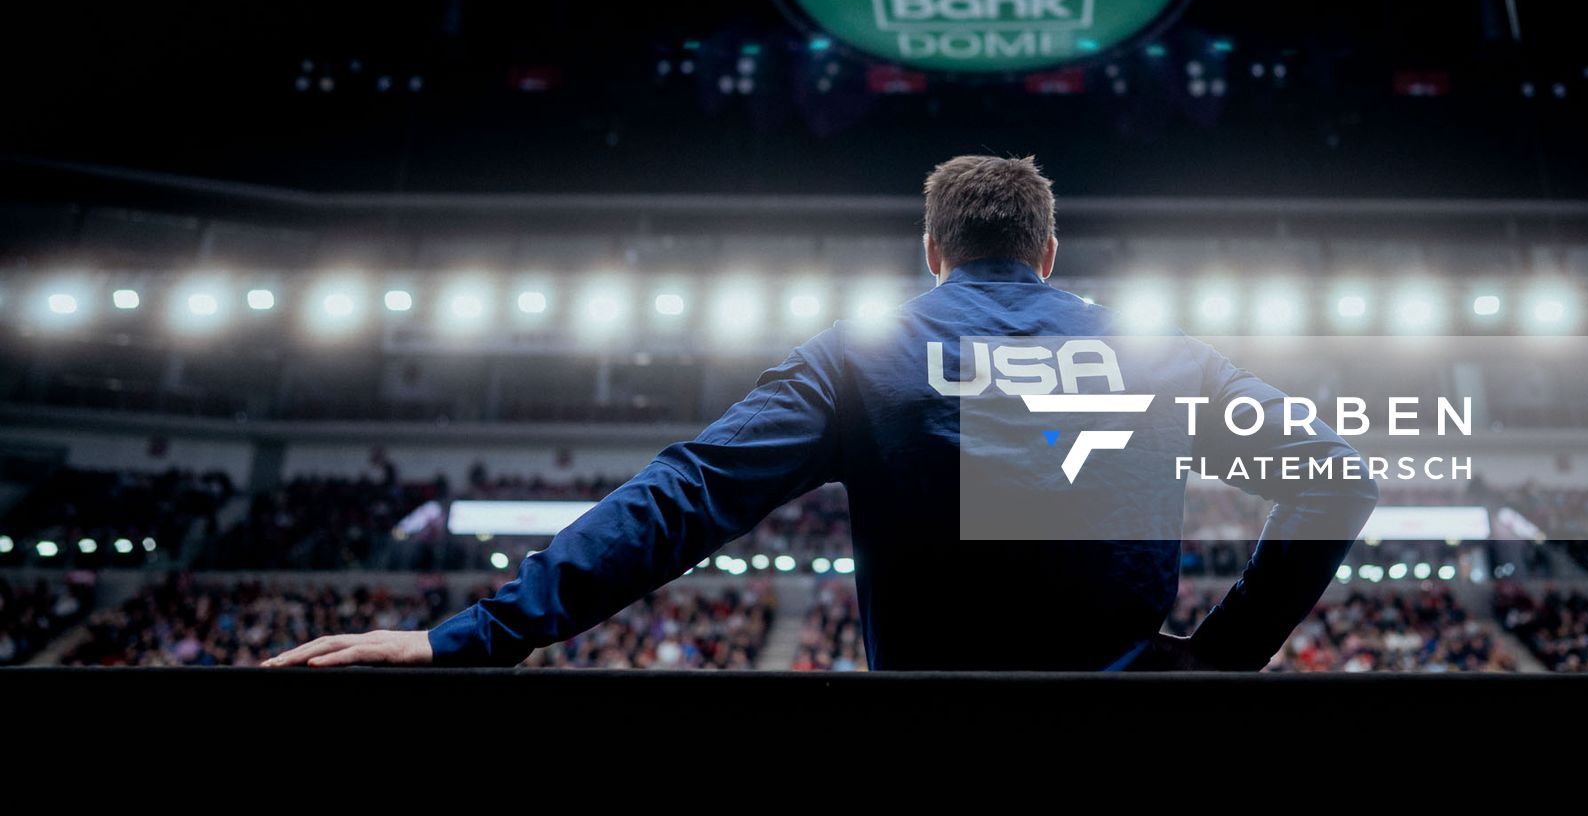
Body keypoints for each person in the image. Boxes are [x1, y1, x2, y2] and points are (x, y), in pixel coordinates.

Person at [266, 155, 1378, 672]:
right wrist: (1228, 652)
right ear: (1049, 252)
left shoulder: (868, 349)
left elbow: (687, 493)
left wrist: (468, 637)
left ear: (932, 253)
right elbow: (1340, 473)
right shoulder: (1163, 355)